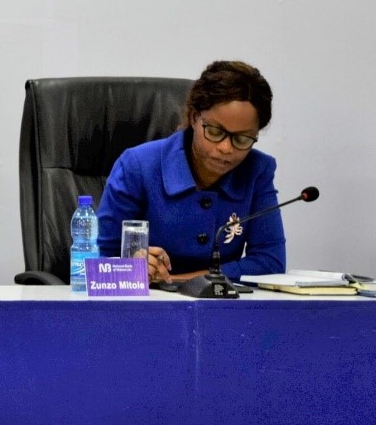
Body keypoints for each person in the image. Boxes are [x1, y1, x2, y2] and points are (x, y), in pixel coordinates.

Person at [96, 60, 284, 283]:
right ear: (194, 118)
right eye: (215, 132)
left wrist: (180, 280)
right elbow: (101, 260)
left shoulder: (257, 171)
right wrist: (134, 265)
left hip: (220, 308)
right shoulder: (138, 166)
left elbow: (270, 262)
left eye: (242, 139)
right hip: (145, 305)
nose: (226, 148)